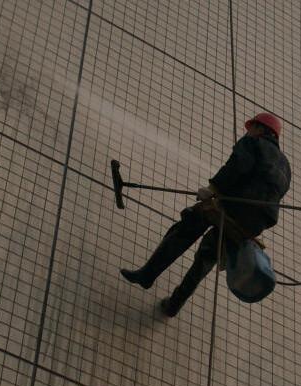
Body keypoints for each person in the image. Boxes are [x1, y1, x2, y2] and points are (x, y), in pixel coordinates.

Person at [121, 113, 291, 317]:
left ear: (261, 129)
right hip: (255, 224)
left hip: (235, 207)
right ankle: (174, 304)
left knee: (189, 223)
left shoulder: (253, 143)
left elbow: (237, 165)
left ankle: (147, 274)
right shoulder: (285, 166)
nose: (247, 132)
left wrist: (213, 188)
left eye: (251, 128)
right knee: (207, 256)